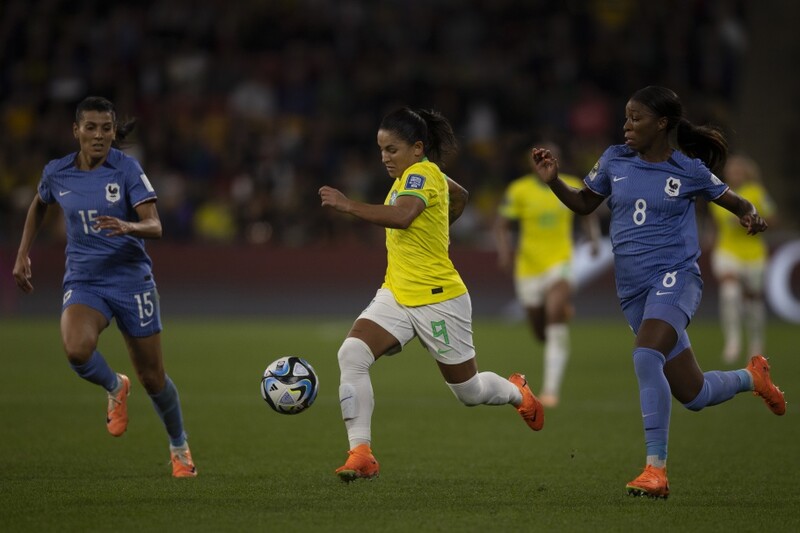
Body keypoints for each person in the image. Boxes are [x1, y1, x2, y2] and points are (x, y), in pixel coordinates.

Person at [529, 86, 785, 499]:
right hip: (633, 291)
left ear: (662, 123)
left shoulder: (689, 170)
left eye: (636, 118)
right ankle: (752, 377)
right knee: (695, 394)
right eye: (626, 117)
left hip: (676, 278)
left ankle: (655, 470)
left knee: (646, 354)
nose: (626, 126)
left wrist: (750, 216)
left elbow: (735, 202)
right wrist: (555, 181)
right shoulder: (615, 160)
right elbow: (582, 203)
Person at [319, 106, 544, 482]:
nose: (384, 157)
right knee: (352, 354)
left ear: (417, 147)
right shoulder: (422, 175)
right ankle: (361, 452)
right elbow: (460, 196)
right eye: (381, 149)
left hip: (439, 298)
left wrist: (347, 205)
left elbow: (404, 216)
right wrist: (438, 224)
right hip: (396, 293)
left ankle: (516, 390)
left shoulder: (421, 174)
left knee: (469, 392)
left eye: (392, 149)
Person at [12, 96, 196, 478]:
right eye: (91, 128)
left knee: (153, 377)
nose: (99, 136)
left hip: (131, 281)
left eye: (106, 128)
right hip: (85, 280)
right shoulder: (57, 172)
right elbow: (39, 204)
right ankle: (115, 385)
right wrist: (23, 252)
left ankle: (179, 449)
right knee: (77, 350)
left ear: (114, 132)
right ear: (76, 131)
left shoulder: (126, 169)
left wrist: (128, 226)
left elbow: (156, 225)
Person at [494, 142, 601, 407]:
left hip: (560, 263)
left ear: (558, 160)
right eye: (536, 158)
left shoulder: (570, 183)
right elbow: (502, 225)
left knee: (554, 313)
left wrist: (593, 238)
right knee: (541, 332)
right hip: (528, 269)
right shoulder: (519, 190)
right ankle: (562, 311)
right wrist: (506, 252)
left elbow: (586, 211)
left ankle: (551, 390)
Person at [706, 155, 777, 364]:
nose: (734, 173)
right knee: (730, 293)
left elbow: (773, 219)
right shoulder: (718, 194)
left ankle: (756, 343)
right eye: (731, 170)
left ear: (746, 173)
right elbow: (715, 226)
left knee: (752, 301)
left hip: (753, 253)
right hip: (727, 251)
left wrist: (754, 221)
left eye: (738, 170)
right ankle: (733, 342)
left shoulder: (756, 192)